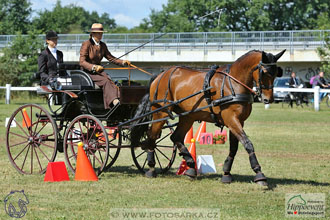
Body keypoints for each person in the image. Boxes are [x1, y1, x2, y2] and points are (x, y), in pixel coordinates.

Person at [79, 23, 130, 109]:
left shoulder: (103, 45)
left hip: (99, 72)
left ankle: (119, 99)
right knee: (106, 81)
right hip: (88, 73)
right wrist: (93, 67)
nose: (101, 35)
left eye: (102, 33)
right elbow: (82, 62)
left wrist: (123, 62)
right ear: (93, 34)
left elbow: (111, 58)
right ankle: (113, 101)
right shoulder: (86, 44)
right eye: (99, 33)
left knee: (111, 81)